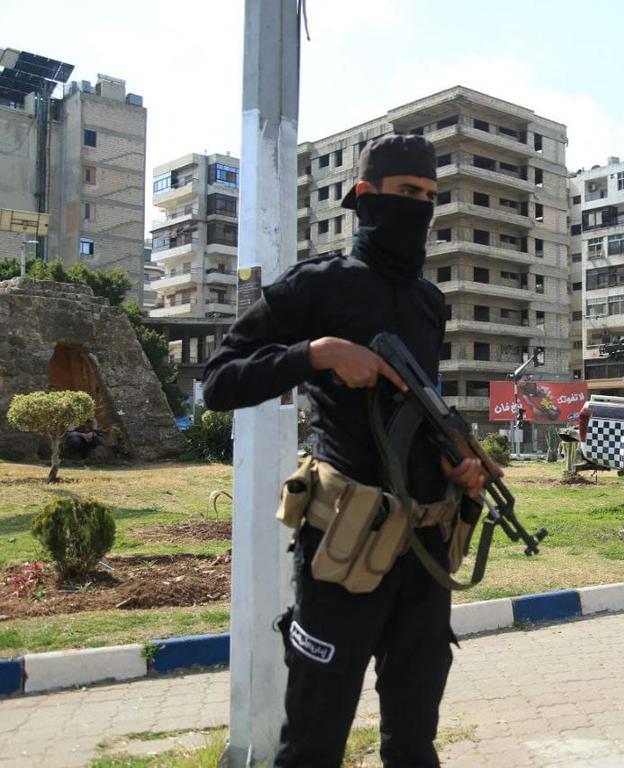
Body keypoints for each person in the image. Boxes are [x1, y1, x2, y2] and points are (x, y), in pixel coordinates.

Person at [201, 134, 486, 768]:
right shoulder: (316, 286)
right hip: (345, 548)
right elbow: (220, 379)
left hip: (423, 550)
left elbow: (421, 406)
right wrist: (316, 354)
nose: (421, 208)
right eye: (408, 194)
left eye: (431, 197)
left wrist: (458, 459)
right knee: (313, 743)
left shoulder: (427, 303)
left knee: (414, 741)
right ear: (365, 197)